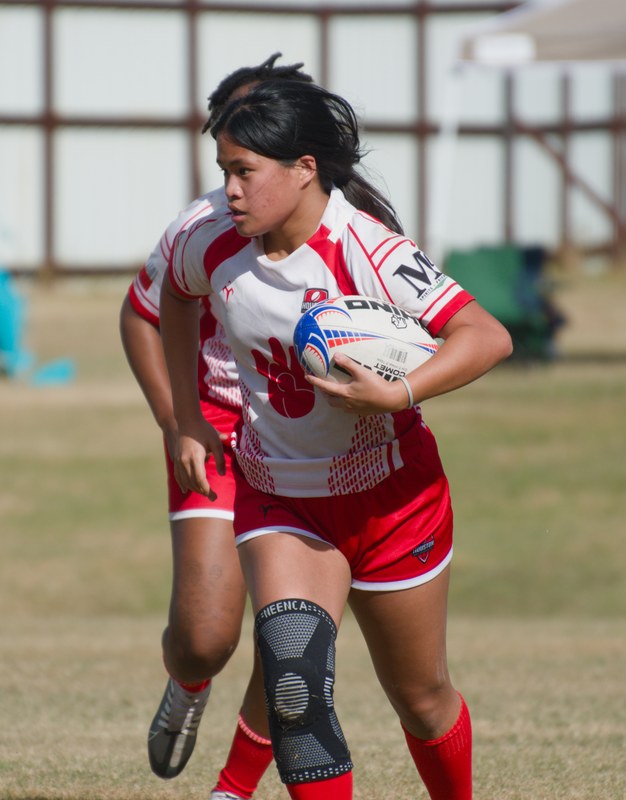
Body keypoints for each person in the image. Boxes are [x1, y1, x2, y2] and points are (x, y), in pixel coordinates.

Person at [159, 79, 513, 800]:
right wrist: (187, 416)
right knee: (293, 682)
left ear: (303, 168)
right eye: (223, 170)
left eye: (243, 171)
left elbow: (486, 335)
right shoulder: (213, 244)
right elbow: (173, 294)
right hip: (282, 500)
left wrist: (400, 391)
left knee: (420, 698)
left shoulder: (367, 248)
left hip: (392, 502)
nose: (227, 190)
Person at [119, 55, 313, 800]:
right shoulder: (202, 228)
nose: (236, 173)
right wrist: (178, 422)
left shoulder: (359, 230)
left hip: (305, 440)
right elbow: (141, 313)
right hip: (219, 429)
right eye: (229, 147)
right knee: (205, 635)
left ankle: (233, 786)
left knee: (292, 626)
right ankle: (188, 681)